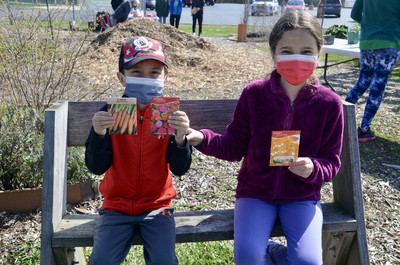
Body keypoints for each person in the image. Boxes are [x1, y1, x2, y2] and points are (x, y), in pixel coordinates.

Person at [187, 10, 344, 265]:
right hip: (255, 193)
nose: (296, 58)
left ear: (319, 51)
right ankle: (267, 249)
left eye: (306, 51)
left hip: (302, 195)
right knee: (248, 259)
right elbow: (234, 146)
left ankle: (269, 250)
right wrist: (202, 139)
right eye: (286, 50)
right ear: (273, 53)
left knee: (308, 262)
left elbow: (331, 162)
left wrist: (313, 168)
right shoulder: (254, 94)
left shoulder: (329, 104)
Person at [85, 36, 192, 265]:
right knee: (101, 261)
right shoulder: (111, 113)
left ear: (165, 78)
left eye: (155, 72)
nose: (147, 78)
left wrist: (181, 139)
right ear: (121, 78)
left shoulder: (167, 114)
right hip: (116, 207)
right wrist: (98, 134)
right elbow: (96, 166)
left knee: (164, 261)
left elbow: (180, 169)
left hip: (157, 207)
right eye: (136, 72)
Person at [344, 0, 400, 142]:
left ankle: (340, 118)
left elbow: (355, 14)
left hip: (367, 41)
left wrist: (370, 23)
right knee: (377, 87)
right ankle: (364, 129)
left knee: (362, 82)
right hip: (389, 42)